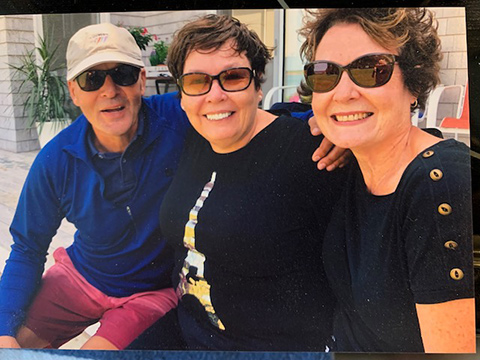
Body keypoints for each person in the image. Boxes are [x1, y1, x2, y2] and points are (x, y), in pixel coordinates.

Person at [157, 14, 347, 351]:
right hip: (188, 333)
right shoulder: (195, 137)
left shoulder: (311, 152)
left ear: (258, 86)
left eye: (232, 77)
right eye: (198, 81)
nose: (214, 95)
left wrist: (347, 132)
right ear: (182, 95)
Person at [0, 23, 189, 350]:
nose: (110, 90)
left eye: (124, 74)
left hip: (151, 290)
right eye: (92, 79)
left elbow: (242, 114)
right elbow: (27, 249)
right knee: (16, 346)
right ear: (74, 92)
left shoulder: (179, 117)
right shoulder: (55, 160)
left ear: (142, 81)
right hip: (81, 277)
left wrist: (309, 123)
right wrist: (3, 330)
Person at [299, 8, 475, 352]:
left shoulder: (438, 183)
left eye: (371, 70)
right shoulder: (356, 161)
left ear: (413, 84)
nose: (343, 92)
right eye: (325, 74)